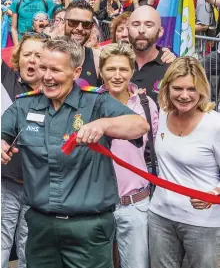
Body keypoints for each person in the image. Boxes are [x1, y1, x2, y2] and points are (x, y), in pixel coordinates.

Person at [1, 36, 149, 268]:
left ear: (76, 71)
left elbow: (139, 125)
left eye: (55, 70)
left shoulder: (95, 102)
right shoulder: (24, 105)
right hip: (41, 228)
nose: (46, 77)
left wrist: (103, 125)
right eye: (43, 68)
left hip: (88, 230)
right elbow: (3, 132)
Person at [148, 57, 220, 268]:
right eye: (178, 88)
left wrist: (214, 195)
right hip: (160, 216)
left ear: (202, 90)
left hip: (203, 222)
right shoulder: (162, 114)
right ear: (167, 88)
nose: (185, 95)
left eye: (192, 89)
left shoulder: (214, 124)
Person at [99, 43, 159, 268]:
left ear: (132, 71)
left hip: (135, 204)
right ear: (101, 71)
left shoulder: (145, 104)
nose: (117, 75)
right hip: (98, 204)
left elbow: (155, 149)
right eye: (110, 69)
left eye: (123, 69)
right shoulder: (88, 104)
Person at [1, 33, 49, 268]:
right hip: (6, 182)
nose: (31, 61)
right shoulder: (7, 80)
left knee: (30, 249)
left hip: (39, 187)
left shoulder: (56, 93)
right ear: (17, 59)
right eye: (27, 54)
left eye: (38, 55)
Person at [128, 5, 175, 103]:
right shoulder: (116, 60)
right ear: (128, 28)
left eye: (148, 25)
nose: (141, 30)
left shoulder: (172, 66)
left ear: (160, 31)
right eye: (136, 25)